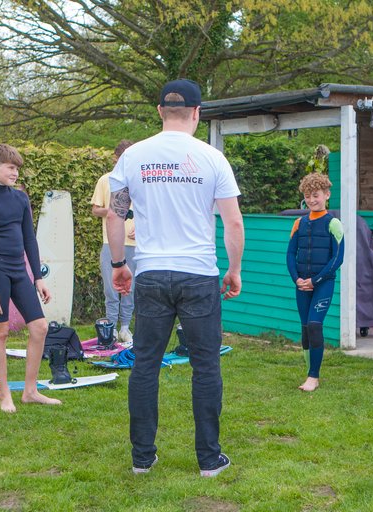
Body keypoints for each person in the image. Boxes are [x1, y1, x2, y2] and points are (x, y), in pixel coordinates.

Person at [106, 78, 244, 477]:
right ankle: (208, 459)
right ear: (198, 113)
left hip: (151, 272)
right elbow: (232, 222)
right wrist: (233, 270)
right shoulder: (212, 157)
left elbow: (116, 213)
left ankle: (142, 459)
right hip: (199, 273)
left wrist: (119, 264)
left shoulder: (133, 156)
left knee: (145, 364)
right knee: (206, 366)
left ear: (160, 112)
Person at [0, 144, 58, 413]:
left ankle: (30, 391)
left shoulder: (20, 199)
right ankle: (4, 394)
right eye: (10, 167)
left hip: (19, 272)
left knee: (40, 327)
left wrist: (38, 278)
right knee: (1, 331)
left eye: (17, 168)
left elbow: (29, 239)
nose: (15, 173)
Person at [286, 173, 345, 392]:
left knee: (314, 325)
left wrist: (315, 279)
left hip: (323, 284)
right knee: (304, 329)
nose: (312, 200)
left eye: (316, 195)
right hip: (302, 284)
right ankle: (310, 371)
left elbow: (337, 258)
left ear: (327, 195)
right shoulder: (298, 223)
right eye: (308, 196)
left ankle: (314, 376)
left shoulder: (334, 224)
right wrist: (297, 279)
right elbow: (290, 254)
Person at [91, 139, 136, 344]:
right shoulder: (105, 180)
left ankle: (125, 327)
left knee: (130, 288)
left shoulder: (139, 178)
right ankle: (110, 328)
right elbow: (95, 209)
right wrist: (114, 211)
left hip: (135, 245)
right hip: (111, 242)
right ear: (116, 158)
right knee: (111, 288)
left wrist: (142, 227)